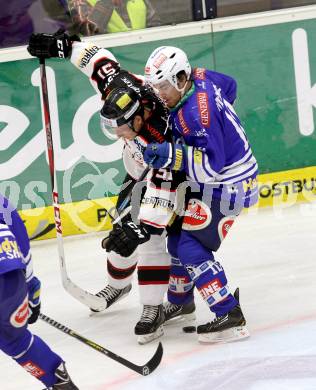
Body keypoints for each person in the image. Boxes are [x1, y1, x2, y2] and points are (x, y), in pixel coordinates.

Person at [27, 30, 183, 344]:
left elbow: (165, 185)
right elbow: (98, 61)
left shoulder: (164, 132)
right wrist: (65, 46)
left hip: (172, 182)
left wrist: (145, 226)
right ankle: (118, 284)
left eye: (123, 127)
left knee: (149, 241)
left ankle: (152, 307)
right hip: (137, 176)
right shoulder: (123, 88)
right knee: (120, 235)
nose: (118, 134)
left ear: (140, 117)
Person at [140, 46, 259, 343]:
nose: (160, 93)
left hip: (229, 185)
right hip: (219, 180)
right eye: (156, 86)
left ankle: (230, 314)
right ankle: (181, 301)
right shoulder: (201, 76)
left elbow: (211, 168)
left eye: (164, 86)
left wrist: (172, 154)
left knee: (191, 248)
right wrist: (222, 120)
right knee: (177, 238)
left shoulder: (196, 116)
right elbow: (230, 85)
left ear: (181, 78)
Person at [0, 193, 78, 389]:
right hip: (11, 276)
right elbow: (19, 238)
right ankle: (57, 380)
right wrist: (30, 286)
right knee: (16, 341)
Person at [77, 0, 161, 35]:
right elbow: (88, 34)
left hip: (140, 54)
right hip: (110, 60)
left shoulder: (141, 1)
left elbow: (157, 28)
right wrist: (106, 3)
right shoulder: (84, 3)